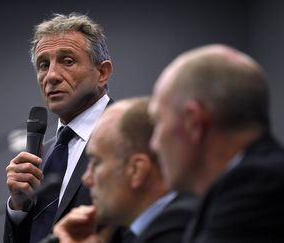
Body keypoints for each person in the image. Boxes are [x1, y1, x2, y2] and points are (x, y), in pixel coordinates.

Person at [148, 44, 284, 243]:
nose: (154, 144)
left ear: (194, 122)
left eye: (158, 123)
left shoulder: (257, 190)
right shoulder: (241, 187)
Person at [4, 13, 113, 243]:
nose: (51, 76)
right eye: (43, 65)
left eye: (67, 61)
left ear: (102, 73)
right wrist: (18, 208)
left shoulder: (130, 137)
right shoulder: (45, 155)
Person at [51, 97, 198, 243]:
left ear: (136, 170)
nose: (86, 179)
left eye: (95, 163)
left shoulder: (182, 233)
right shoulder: (152, 230)